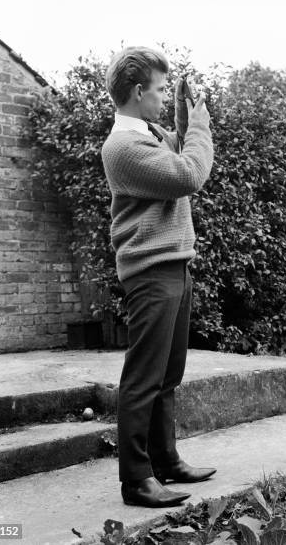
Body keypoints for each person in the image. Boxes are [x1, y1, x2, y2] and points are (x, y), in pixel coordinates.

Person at [101, 46, 215, 507]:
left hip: (174, 265)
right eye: (160, 88)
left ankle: (166, 461)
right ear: (135, 91)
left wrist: (186, 116)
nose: (164, 95)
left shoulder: (150, 134)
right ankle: (136, 479)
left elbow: (181, 147)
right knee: (143, 377)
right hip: (150, 271)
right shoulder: (124, 147)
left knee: (168, 374)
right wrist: (202, 125)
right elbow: (189, 173)